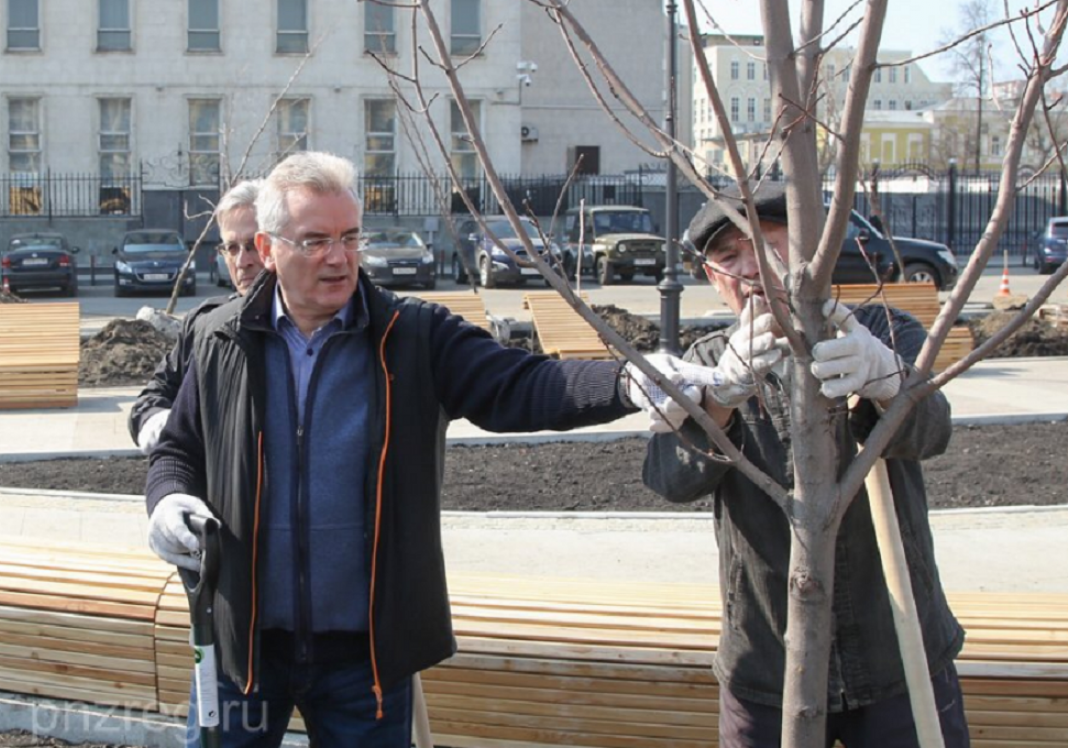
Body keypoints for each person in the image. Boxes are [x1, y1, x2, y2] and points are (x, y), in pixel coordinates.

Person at [142, 150, 697, 748]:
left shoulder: (411, 336)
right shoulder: (219, 338)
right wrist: (167, 499)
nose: (338, 257)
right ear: (269, 250)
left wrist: (625, 382)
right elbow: (179, 449)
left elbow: (522, 383)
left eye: (350, 236)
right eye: (315, 241)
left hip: (367, 660)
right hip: (242, 649)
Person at [639, 183, 970, 747]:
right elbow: (670, 478)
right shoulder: (706, 363)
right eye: (729, 259)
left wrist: (886, 379)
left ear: (809, 255)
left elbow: (932, 432)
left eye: (768, 248)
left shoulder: (880, 334)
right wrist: (721, 395)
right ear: (714, 281)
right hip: (767, 660)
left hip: (900, 647)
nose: (751, 271)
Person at [128, 180, 264, 454]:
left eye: (253, 245)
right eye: (232, 248)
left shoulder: (307, 324)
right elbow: (150, 401)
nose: (242, 262)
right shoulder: (203, 324)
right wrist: (172, 429)